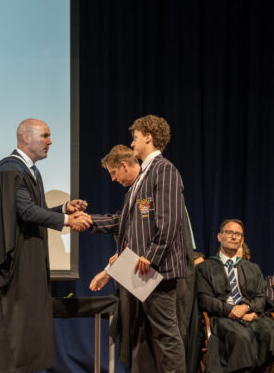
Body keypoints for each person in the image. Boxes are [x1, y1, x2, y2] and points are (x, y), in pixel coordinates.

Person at [0, 118, 92, 373]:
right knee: (15, 333)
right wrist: (68, 220)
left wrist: (63, 209)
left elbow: (32, 211)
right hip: (14, 268)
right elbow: (26, 212)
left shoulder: (30, 171)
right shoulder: (9, 170)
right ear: (26, 138)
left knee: (28, 331)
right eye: (45, 136)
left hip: (28, 266)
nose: (50, 142)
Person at [90, 116, 189, 373]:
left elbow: (170, 218)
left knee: (166, 336)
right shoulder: (144, 177)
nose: (132, 143)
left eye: (135, 137)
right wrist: (88, 221)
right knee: (143, 336)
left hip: (157, 269)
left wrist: (152, 255)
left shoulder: (164, 170)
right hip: (141, 270)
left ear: (148, 137)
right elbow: (126, 223)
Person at [196, 219, 274, 373]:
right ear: (219, 237)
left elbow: (261, 298)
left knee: (272, 335)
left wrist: (245, 308)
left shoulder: (252, 268)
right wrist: (232, 311)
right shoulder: (204, 268)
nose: (234, 237)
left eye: (238, 234)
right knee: (241, 337)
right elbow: (204, 299)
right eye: (229, 232)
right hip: (222, 317)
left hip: (250, 315)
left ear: (242, 240)